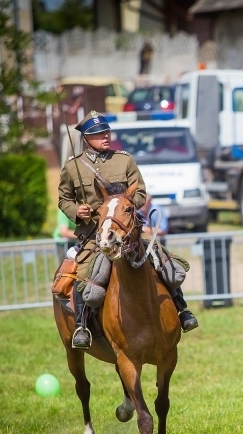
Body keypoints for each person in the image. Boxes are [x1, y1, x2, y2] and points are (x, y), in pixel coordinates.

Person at [58, 110, 197, 349]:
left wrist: (124, 206)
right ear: (86, 138)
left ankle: (182, 311)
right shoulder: (73, 167)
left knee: (163, 262)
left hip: (127, 234)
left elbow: (141, 193)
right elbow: (63, 199)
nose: (105, 136)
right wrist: (77, 211)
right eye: (98, 133)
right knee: (83, 273)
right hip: (93, 236)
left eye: (106, 131)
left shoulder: (124, 160)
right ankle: (82, 327)